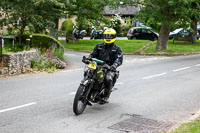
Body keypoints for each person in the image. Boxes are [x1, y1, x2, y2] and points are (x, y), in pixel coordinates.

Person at [89, 28, 123, 103]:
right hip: (97, 65)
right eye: (106, 36)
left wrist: (113, 66)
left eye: (110, 36)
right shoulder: (99, 46)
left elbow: (119, 59)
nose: (108, 37)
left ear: (114, 37)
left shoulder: (117, 49)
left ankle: (106, 96)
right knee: (88, 73)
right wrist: (89, 58)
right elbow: (93, 54)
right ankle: (87, 89)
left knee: (108, 78)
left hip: (109, 68)